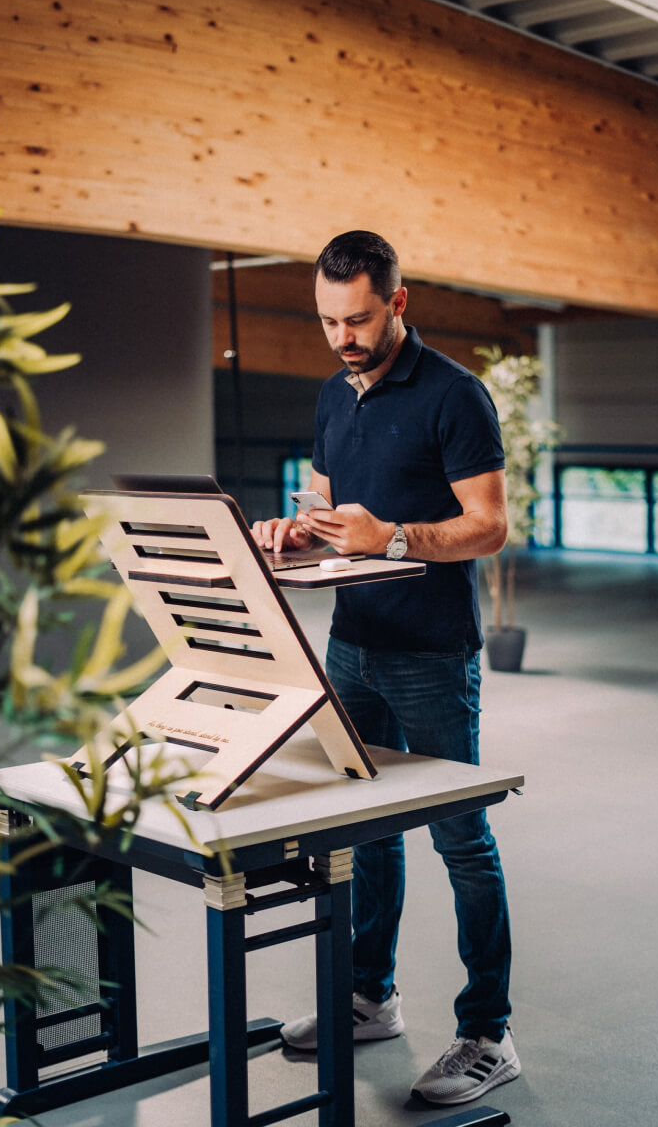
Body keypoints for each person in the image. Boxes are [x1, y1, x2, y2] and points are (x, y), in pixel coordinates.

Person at [251, 230, 520, 1107]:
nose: (343, 337)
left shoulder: (455, 394)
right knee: (366, 829)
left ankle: (488, 1033)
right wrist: (299, 531)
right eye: (329, 321)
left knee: (461, 841)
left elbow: (488, 525)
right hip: (354, 644)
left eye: (359, 319)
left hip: (433, 655)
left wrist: (397, 536)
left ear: (396, 303)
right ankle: (372, 996)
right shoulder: (335, 393)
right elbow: (330, 504)